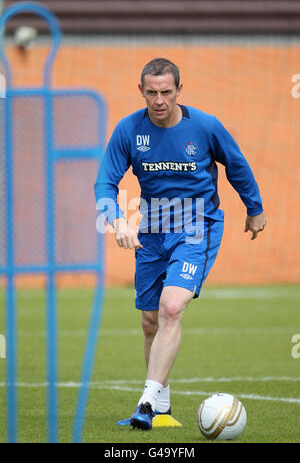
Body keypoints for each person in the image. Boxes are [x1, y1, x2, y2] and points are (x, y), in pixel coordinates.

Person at [94, 58, 266, 430]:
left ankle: (145, 403)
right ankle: (162, 409)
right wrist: (118, 220)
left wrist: (255, 208)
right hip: (153, 230)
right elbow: (105, 184)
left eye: (166, 92)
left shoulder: (204, 127)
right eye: (152, 92)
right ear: (141, 91)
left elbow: (236, 165)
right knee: (150, 320)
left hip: (196, 227)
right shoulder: (128, 131)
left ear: (179, 91)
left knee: (172, 306)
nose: (159, 100)